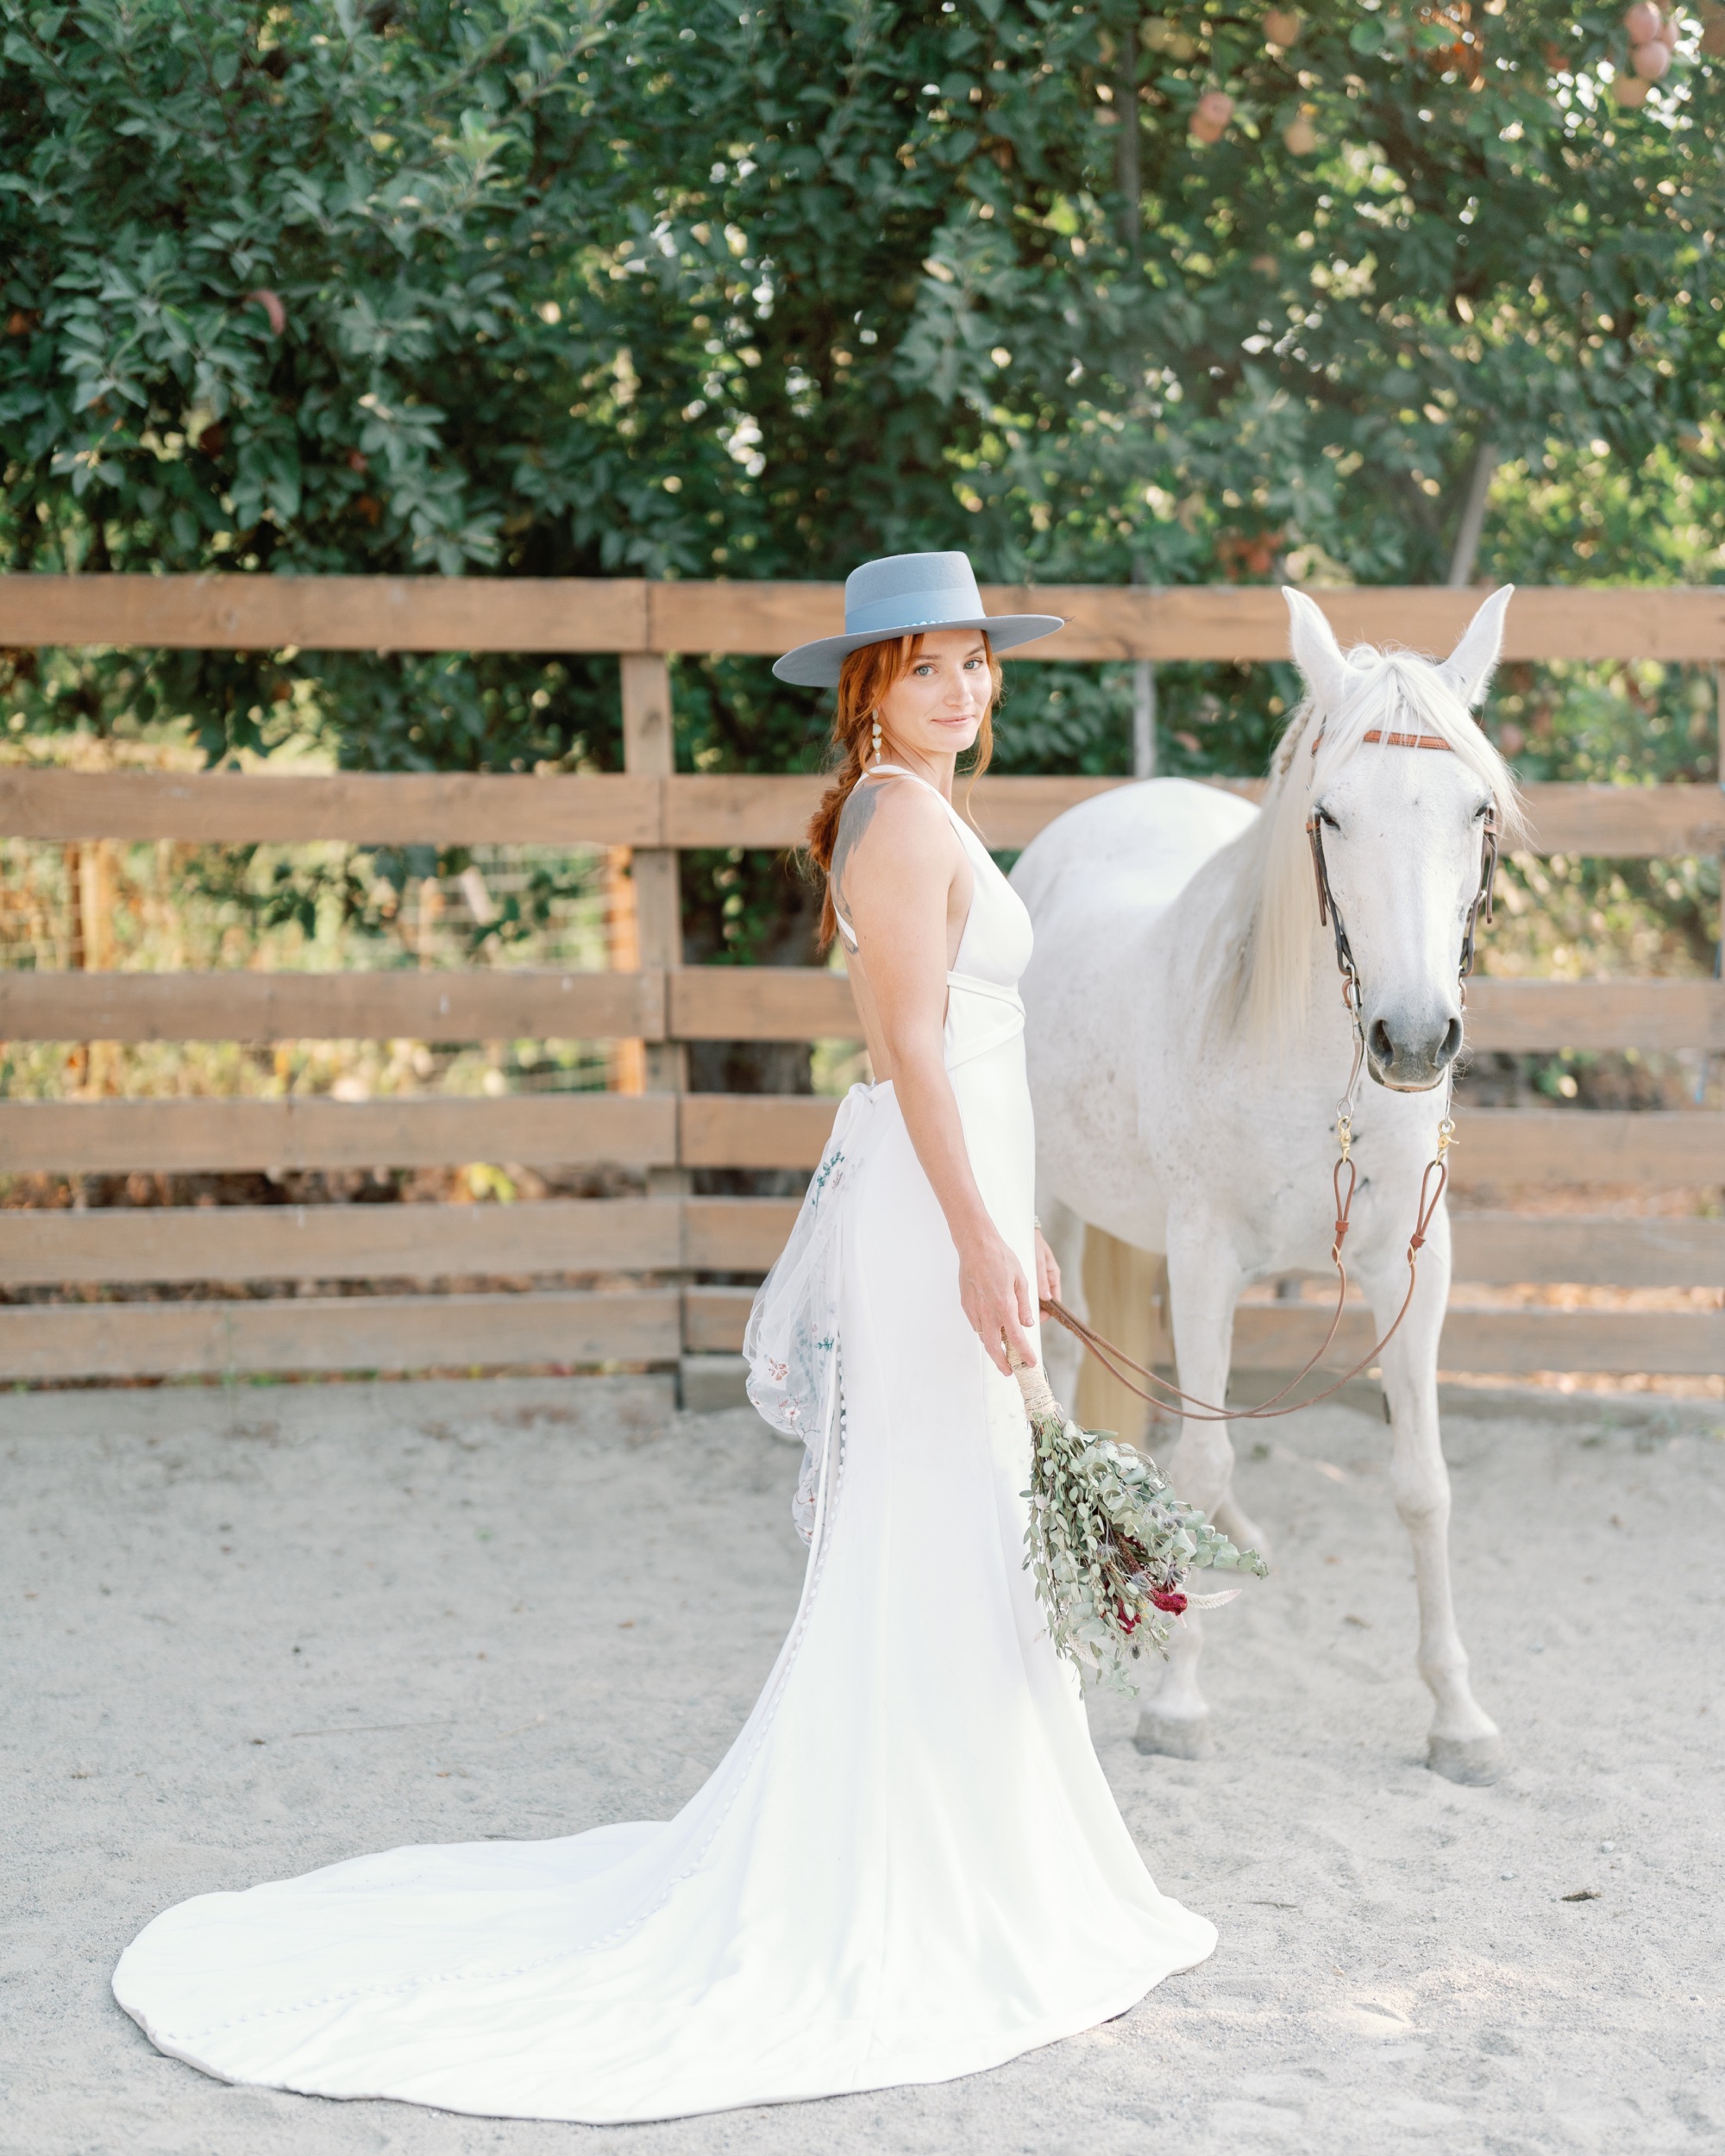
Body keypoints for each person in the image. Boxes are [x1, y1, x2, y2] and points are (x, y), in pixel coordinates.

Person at [110, 551, 1215, 2124]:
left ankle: (995, 1849)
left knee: (972, 1514)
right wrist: (978, 1229)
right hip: (928, 1211)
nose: (963, 690)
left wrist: (1016, 1213)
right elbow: (908, 1045)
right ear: (871, 688)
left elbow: (972, 1047)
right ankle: (914, 1862)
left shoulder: (935, 805)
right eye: (929, 669)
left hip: (970, 1192)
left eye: (976, 661)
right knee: (932, 1515)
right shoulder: (899, 818)